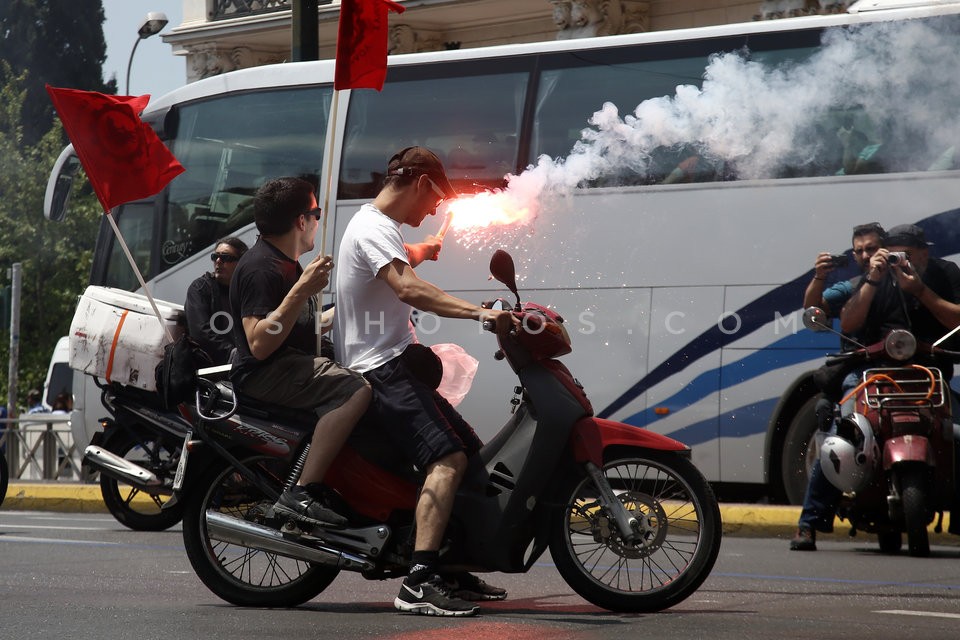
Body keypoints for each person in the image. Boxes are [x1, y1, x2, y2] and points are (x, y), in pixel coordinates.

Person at [334, 146, 517, 617]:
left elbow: (400, 263)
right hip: (381, 368)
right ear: (418, 183)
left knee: (470, 452)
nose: (435, 210)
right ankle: (417, 581)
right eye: (434, 200)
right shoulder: (373, 228)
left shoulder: (380, 229)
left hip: (396, 362)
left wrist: (421, 251)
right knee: (448, 458)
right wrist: (480, 312)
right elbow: (409, 288)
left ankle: (452, 565)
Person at [230, 176, 372, 529]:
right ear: (301, 220)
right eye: (317, 213)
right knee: (355, 390)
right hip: (266, 373)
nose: (319, 221)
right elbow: (260, 342)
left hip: (290, 363)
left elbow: (300, 324)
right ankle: (302, 491)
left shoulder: (286, 263)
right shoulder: (261, 267)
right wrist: (301, 290)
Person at [791, 222, 886, 551]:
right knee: (841, 441)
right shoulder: (852, 287)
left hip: (909, 375)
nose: (864, 255)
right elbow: (814, 310)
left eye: (871, 248)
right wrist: (818, 277)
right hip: (859, 377)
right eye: (859, 250)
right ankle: (808, 524)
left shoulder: (908, 283)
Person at [185, 237, 249, 364]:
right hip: (215, 367)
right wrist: (232, 353)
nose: (218, 261)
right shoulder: (200, 288)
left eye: (226, 258)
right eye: (215, 257)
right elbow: (200, 332)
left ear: (241, 262)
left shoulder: (247, 291)